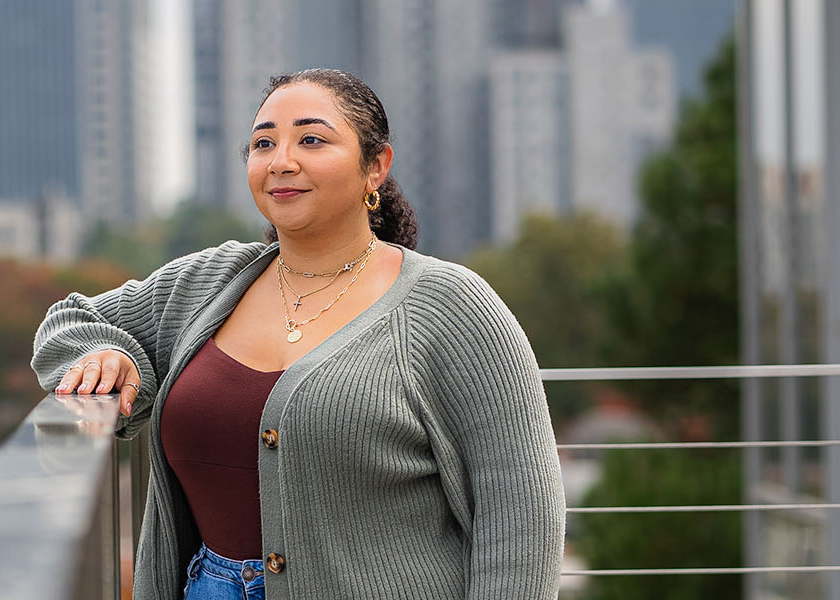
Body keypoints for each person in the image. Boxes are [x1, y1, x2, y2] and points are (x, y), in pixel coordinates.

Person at [31, 68, 565, 599]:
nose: (281, 161)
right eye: (263, 144)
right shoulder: (205, 283)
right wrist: (105, 351)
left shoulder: (449, 306)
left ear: (375, 167)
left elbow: (522, 512)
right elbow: (69, 321)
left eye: (311, 139)